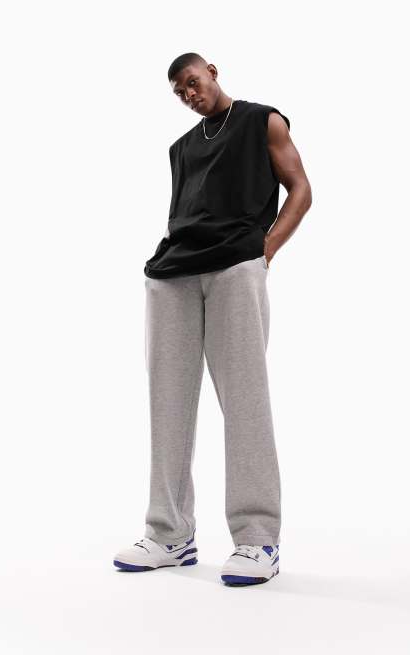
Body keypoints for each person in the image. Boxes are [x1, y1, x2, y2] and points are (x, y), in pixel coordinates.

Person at [113, 52, 312, 586]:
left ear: (212, 73)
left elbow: (301, 189)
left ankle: (257, 539)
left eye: (193, 82)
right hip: (171, 276)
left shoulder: (261, 121)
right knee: (168, 404)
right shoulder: (180, 148)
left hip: (234, 269)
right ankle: (169, 534)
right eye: (180, 91)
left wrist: (264, 252)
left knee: (244, 400)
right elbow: (184, 213)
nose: (189, 94)